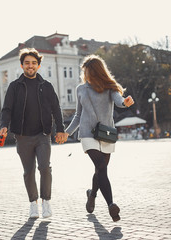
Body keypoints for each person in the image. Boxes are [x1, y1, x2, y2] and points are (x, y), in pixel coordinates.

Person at [63, 55, 134, 222]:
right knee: (101, 165)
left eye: (88, 72)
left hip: (106, 133)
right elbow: (78, 115)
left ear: (96, 72)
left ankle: (92, 194)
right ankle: (111, 205)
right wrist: (67, 133)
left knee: (100, 170)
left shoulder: (111, 87)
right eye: (84, 72)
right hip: (88, 133)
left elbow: (119, 101)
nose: (85, 75)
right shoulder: (81, 89)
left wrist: (126, 102)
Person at [0, 48, 67, 219]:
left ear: (38, 65)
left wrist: (60, 129)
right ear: (22, 65)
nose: (30, 66)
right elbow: (6, 109)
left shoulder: (47, 86)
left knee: (45, 167)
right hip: (22, 136)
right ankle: (33, 204)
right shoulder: (14, 87)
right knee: (28, 171)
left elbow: (56, 109)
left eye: (34, 63)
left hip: (42, 134)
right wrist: (3, 125)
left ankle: (46, 202)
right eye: (27, 63)